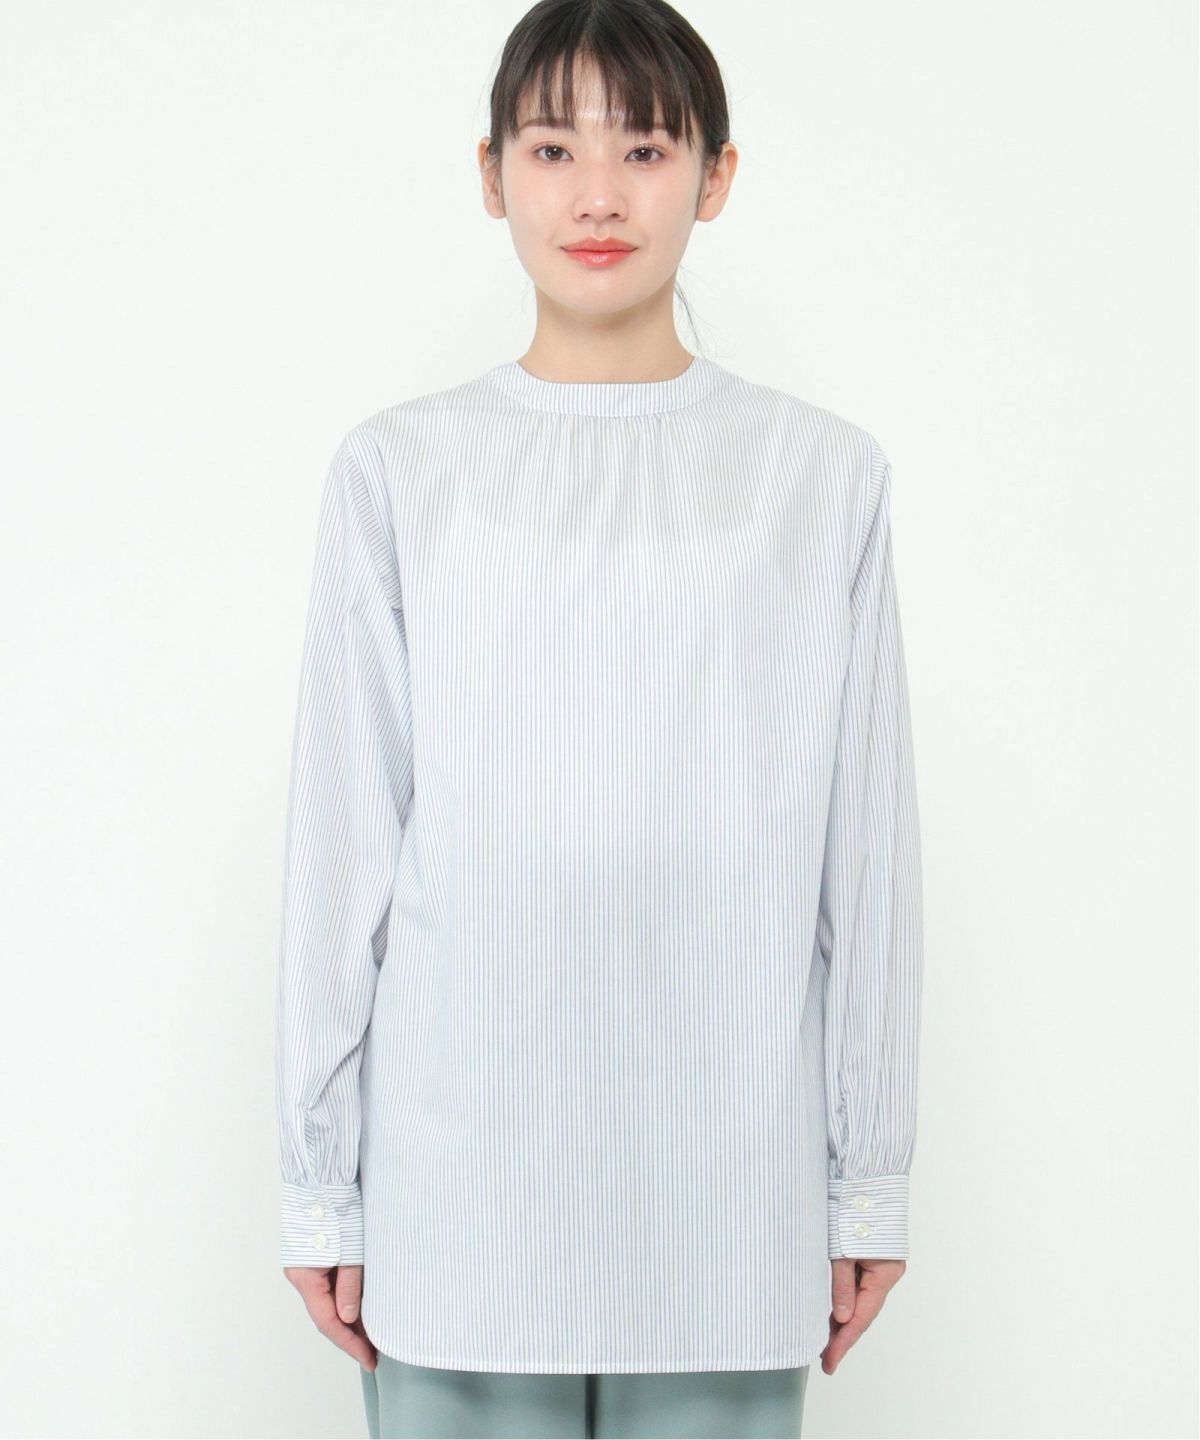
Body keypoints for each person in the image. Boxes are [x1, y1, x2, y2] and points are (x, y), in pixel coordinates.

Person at [274, 1, 924, 1436]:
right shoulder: (399, 472)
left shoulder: (819, 479)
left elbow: (863, 850)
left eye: (645, 148)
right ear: (491, 173)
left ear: (717, 175)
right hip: (461, 1188)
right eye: (553, 148)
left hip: (724, 1187)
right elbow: (344, 844)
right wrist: (321, 1182)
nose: (598, 195)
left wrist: (868, 1173)